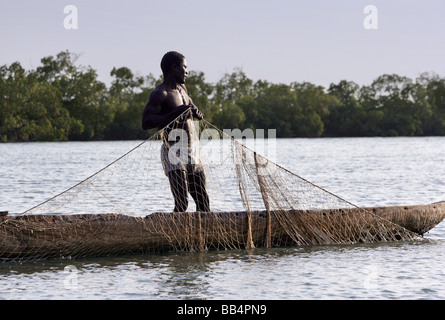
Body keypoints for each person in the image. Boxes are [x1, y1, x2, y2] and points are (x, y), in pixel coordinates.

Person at [142, 51, 210, 213]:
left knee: (203, 204)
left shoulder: (182, 89)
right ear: (174, 68)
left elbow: (190, 109)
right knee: (182, 204)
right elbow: (146, 122)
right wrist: (175, 112)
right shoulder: (161, 93)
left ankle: (200, 237)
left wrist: (196, 112)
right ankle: (173, 237)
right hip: (173, 150)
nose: (187, 71)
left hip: (192, 152)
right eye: (184, 67)